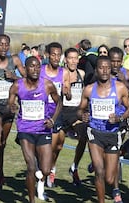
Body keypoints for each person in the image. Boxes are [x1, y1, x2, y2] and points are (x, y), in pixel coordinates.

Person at [78, 56, 129, 203]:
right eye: (101, 67)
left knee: (109, 178)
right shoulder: (89, 90)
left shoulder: (120, 88)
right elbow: (80, 110)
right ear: (96, 70)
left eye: (107, 68)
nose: (104, 71)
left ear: (111, 70)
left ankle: (97, 166)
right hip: (95, 132)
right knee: (99, 172)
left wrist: (119, 118)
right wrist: (83, 115)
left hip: (113, 134)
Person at [7, 56, 62, 202]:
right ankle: (31, 200)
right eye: (32, 66)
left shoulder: (47, 85)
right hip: (25, 130)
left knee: (45, 170)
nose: (35, 69)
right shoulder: (18, 85)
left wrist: (53, 120)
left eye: (38, 66)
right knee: (31, 167)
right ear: (25, 69)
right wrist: (12, 107)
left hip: (43, 130)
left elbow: (59, 102)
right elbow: (10, 102)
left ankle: (37, 174)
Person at [0, 34, 26, 190]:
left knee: (3, 143)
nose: (3, 47)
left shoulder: (14, 60)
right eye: (0, 44)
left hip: (9, 108)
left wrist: (14, 77)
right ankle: (1, 175)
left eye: (6, 45)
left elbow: (28, 78)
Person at [39, 42, 65, 188]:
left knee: (56, 147)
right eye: (53, 54)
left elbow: (67, 92)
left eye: (58, 55)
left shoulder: (63, 72)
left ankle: (51, 169)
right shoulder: (40, 70)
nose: (56, 58)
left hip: (56, 112)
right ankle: (42, 178)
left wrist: (67, 92)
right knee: (44, 147)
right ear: (48, 55)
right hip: (40, 112)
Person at [60, 47, 87, 186]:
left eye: (76, 58)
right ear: (65, 60)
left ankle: (74, 167)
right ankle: (51, 170)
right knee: (57, 146)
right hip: (62, 112)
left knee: (84, 136)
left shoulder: (81, 73)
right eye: (70, 58)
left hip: (76, 112)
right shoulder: (60, 74)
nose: (73, 61)